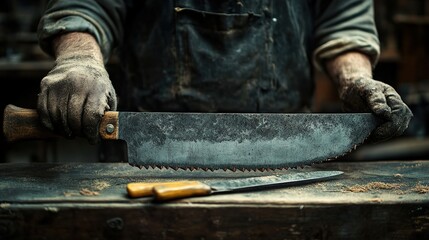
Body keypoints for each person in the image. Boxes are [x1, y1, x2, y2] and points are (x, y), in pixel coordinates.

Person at [36, 0, 412, 145]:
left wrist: (355, 78)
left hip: (288, 152)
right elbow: (85, 5)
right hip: (148, 147)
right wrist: (79, 59)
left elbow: (342, 21)